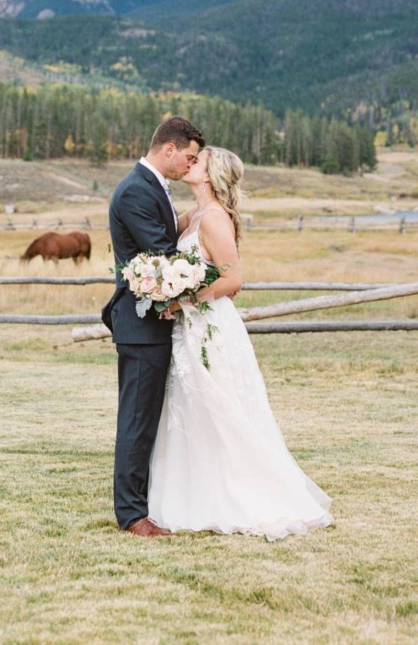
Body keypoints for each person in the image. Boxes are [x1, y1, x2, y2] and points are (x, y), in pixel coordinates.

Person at [148, 146, 332, 540]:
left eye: (199, 159)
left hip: (210, 327)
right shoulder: (194, 215)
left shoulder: (213, 217)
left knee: (219, 405)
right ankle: (195, 494)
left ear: (213, 174)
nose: (191, 160)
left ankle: (239, 494)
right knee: (192, 406)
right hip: (191, 327)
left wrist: (183, 300)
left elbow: (232, 280)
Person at [102, 117, 204, 537]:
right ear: (169, 149)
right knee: (137, 420)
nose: (189, 166)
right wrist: (206, 276)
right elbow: (162, 255)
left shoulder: (152, 187)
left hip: (153, 324)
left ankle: (146, 502)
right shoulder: (134, 192)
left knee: (147, 419)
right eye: (189, 157)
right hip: (141, 326)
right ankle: (131, 515)